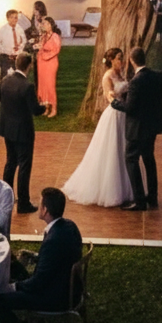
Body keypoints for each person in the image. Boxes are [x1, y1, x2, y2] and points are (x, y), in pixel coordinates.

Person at [0, 187, 82, 323]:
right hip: (67, 286)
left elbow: (38, 283)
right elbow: (56, 260)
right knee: (15, 266)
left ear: (45, 210)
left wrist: (13, 287)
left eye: (41, 204)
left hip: (55, 297)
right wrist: (34, 257)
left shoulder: (53, 241)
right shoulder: (69, 226)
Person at [63, 48, 133, 207]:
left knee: (124, 148)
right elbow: (109, 95)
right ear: (111, 60)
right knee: (112, 149)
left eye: (122, 58)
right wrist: (114, 98)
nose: (121, 61)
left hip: (124, 115)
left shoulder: (121, 74)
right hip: (115, 115)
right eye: (119, 58)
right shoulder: (108, 76)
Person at [112, 47, 162, 211]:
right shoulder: (157, 76)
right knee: (149, 159)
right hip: (152, 126)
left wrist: (115, 103)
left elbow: (130, 107)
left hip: (137, 128)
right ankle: (153, 196)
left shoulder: (136, 81)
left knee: (131, 159)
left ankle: (139, 200)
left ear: (131, 60)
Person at [0, 52, 45, 214]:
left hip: (8, 128)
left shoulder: (6, 80)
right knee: (24, 165)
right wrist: (45, 106)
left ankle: (6, 196)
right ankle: (23, 203)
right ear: (29, 66)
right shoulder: (27, 86)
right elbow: (35, 110)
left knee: (10, 162)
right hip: (23, 131)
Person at [36, 16, 61, 117]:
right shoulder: (44, 36)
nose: (44, 26)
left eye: (46, 24)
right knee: (43, 84)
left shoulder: (55, 36)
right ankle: (45, 106)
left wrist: (45, 54)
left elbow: (56, 50)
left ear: (51, 25)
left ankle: (53, 107)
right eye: (43, 24)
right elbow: (41, 46)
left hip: (50, 62)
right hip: (42, 62)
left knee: (50, 84)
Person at [0, 8, 28, 78]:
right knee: (5, 78)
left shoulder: (19, 28)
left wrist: (20, 49)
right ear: (7, 18)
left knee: (18, 77)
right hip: (6, 58)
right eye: (12, 17)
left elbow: (24, 40)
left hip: (17, 58)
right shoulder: (3, 29)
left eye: (16, 18)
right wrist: (5, 51)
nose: (14, 20)